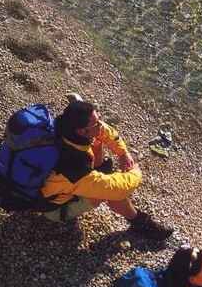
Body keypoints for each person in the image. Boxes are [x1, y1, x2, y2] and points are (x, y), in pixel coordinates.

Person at [39, 99, 174, 241]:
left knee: (96, 138)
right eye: (96, 123)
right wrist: (135, 172)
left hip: (56, 184)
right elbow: (116, 189)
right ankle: (140, 223)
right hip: (54, 208)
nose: (100, 125)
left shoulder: (61, 127)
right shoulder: (76, 167)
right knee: (111, 194)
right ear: (81, 131)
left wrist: (123, 153)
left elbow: (104, 131)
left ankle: (100, 167)